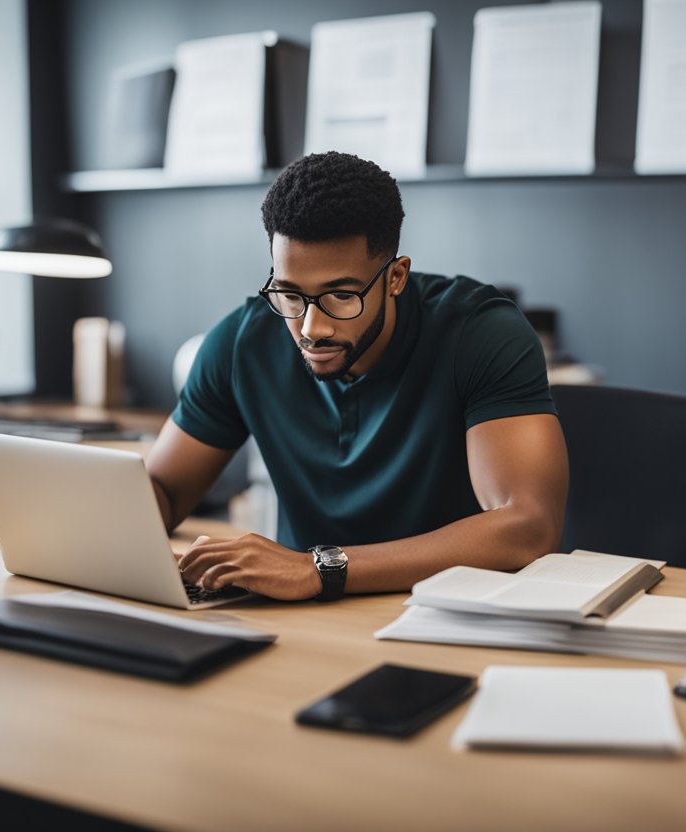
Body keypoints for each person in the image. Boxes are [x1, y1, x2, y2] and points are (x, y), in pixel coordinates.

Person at [146, 151, 568, 601]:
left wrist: (320, 568)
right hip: (303, 621)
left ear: (395, 278)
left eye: (341, 296)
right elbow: (163, 491)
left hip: (444, 615)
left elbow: (527, 527)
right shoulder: (239, 343)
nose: (311, 328)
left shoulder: (481, 333)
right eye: (290, 294)